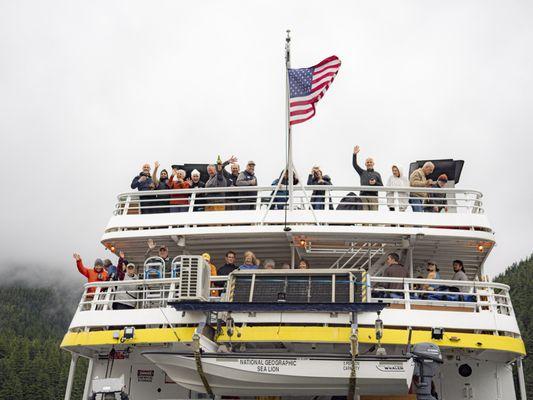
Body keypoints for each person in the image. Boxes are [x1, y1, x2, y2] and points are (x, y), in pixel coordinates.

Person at [352, 145, 383, 211]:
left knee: (374, 216)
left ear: (373, 163)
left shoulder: (377, 174)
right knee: (364, 216)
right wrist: (354, 154)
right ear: (365, 164)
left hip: (374, 197)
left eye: (370, 162)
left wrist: (375, 183)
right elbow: (355, 165)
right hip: (363, 197)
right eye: (367, 162)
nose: (369, 163)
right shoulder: (362, 172)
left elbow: (381, 186)